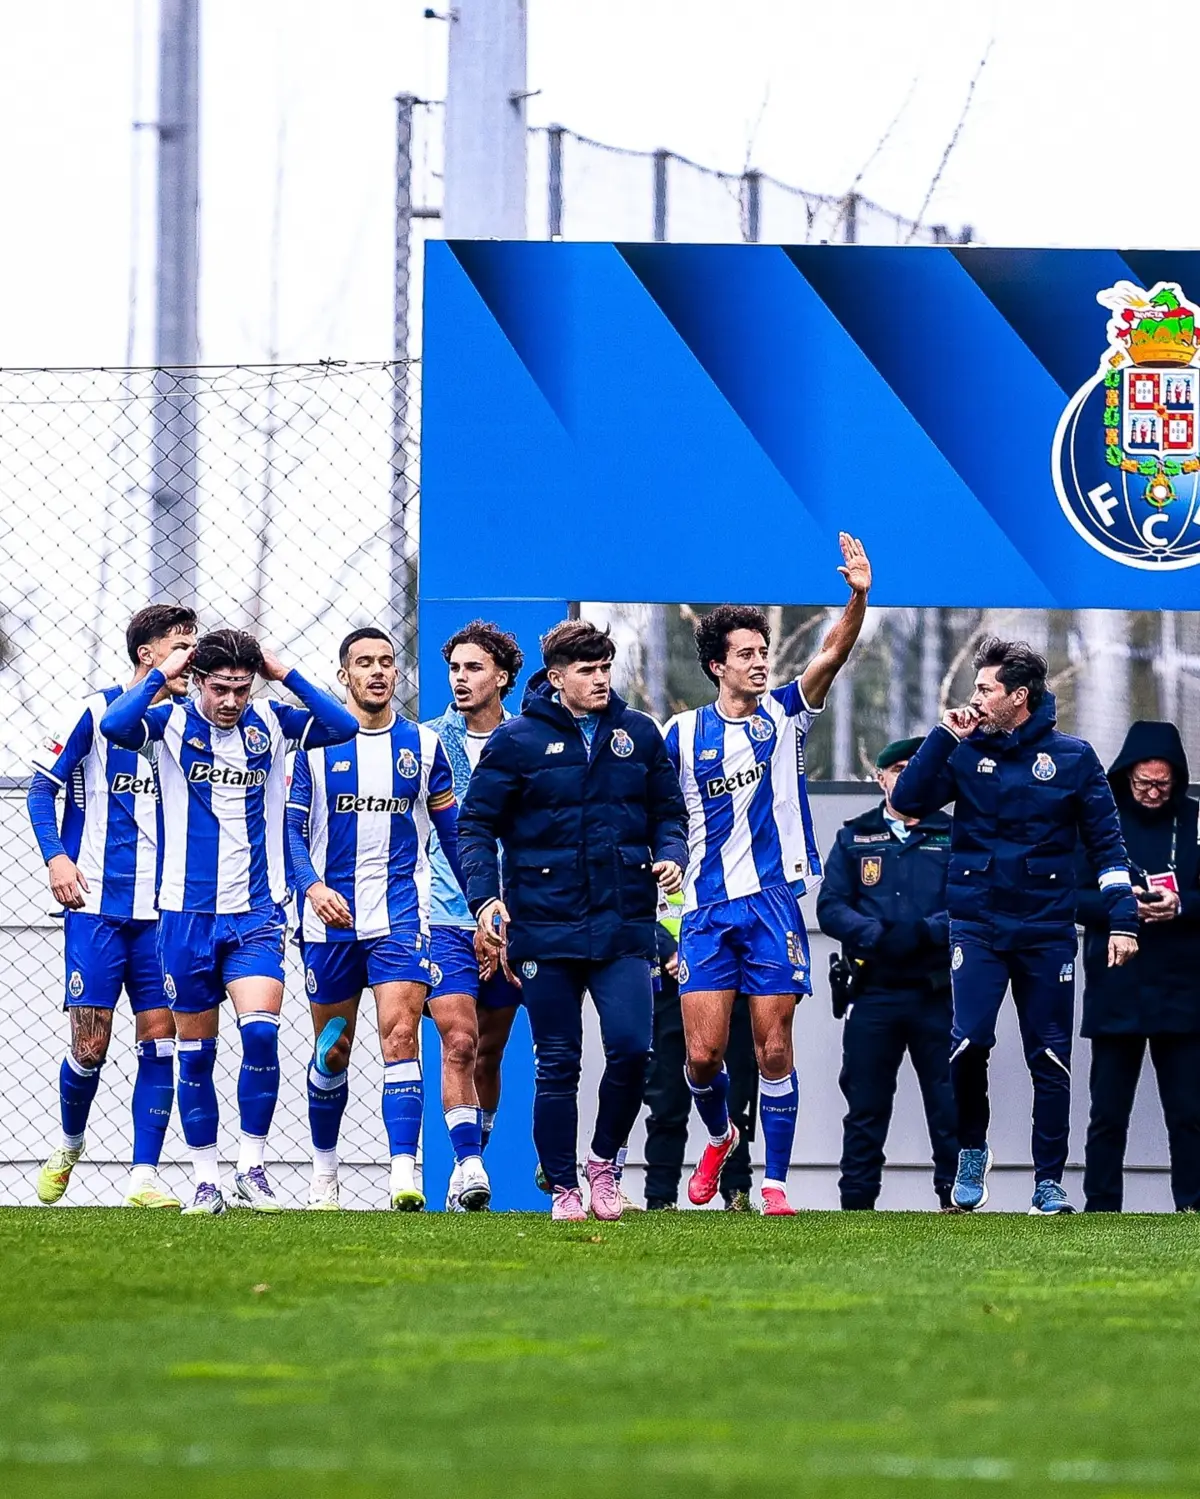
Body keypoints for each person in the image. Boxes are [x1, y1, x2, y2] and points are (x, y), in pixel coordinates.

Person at [101, 627, 357, 1215]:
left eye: (241, 688)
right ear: (197, 683)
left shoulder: (270, 722)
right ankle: (206, 1179)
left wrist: (280, 671)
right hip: (184, 913)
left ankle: (252, 1166)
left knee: (261, 1032)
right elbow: (115, 727)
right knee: (196, 1052)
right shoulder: (168, 723)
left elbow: (342, 727)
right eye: (220, 689)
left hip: (258, 911)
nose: (232, 701)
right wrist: (164, 674)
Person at [664, 532, 872, 1216]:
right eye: (746, 654)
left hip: (774, 904)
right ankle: (721, 1136)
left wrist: (858, 595)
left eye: (763, 652)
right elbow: (658, 817)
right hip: (702, 907)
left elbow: (833, 652)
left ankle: (777, 1183)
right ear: (718, 665)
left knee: (774, 1044)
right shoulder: (680, 734)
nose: (760, 662)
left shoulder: (786, 714)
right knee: (701, 1055)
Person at [892, 637, 1138, 1215]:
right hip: (976, 923)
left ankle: (1049, 1182)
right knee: (968, 1043)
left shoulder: (1074, 758)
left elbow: (1107, 846)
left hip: (1047, 929)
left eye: (984, 689)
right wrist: (943, 736)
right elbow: (906, 802)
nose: (973, 698)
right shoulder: (961, 748)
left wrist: (1123, 921)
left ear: (1018, 696)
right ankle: (972, 1151)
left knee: (1049, 1058)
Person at [458, 619, 688, 1222]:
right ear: (556, 678)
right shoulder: (516, 741)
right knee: (557, 1062)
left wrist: (671, 856)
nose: (600, 680)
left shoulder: (639, 734)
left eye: (605, 668)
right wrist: (486, 899)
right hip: (544, 926)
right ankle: (562, 1187)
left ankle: (604, 1165)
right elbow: (475, 826)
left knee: (634, 1048)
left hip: (622, 925)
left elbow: (670, 814)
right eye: (587, 671)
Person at [288, 627, 472, 1213]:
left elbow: (454, 834)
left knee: (399, 1036)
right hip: (329, 924)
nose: (376, 672)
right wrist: (312, 887)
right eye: (363, 663)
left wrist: (485, 901)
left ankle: (402, 1173)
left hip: (399, 918)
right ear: (344, 676)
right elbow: (290, 832)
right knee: (332, 1049)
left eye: (386, 662)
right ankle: (325, 1172)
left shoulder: (423, 747)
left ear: (398, 673)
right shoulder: (314, 750)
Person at [27, 604, 198, 1208]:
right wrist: (56, 857)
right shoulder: (96, 711)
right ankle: (70, 1145)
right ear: (148, 655)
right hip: (96, 904)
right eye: (181, 646)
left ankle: (143, 1175)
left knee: (161, 1040)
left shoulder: (187, 722)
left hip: (165, 909)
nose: (191, 656)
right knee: (90, 1046)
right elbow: (41, 788)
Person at [816, 736, 958, 1212]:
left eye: (915, 767)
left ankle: (955, 1199)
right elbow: (831, 907)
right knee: (865, 1103)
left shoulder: (954, 834)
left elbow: (971, 902)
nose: (905, 776)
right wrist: (876, 935)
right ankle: (857, 1204)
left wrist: (922, 933)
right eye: (896, 768)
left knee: (949, 1104)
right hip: (873, 990)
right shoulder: (854, 836)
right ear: (880, 778)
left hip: (936, 991)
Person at [423, 620, 525, 1210]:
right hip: (442, 914)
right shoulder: (426, 741)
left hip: (516, 923)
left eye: (474, 668)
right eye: (455, 669)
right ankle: (467, 1166)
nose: (461, 679)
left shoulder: (530, 741)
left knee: (489, 1050)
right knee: (457, 1040)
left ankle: (477, 1148)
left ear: (502, 677)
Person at [1078, 722, 1200, 1213]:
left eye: (1163, 785)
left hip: (1183, 985)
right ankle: (1101, 1207)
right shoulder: (1098, 818)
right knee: (1108, 1111)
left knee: (1190, 1112)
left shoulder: (1194, 820)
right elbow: (1070, 896)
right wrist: (1121, 904)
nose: (1152, 793)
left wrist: (1180, 906)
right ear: (1126, 776)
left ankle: (1192, 1206)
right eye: (1143, 783)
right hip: (1117, 983)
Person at [643, 894, 760, 1211]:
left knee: (735, 1098)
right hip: (668, 986)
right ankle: (660, 1197)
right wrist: (668, 949)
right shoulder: (659, 848)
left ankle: (736, 1194)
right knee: (666, 1099)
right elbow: (634, 904)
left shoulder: (730, 849)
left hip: (728, 982)